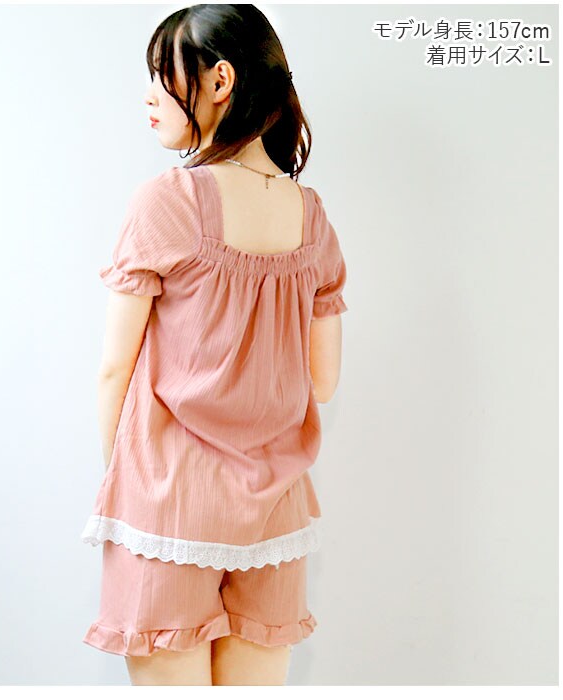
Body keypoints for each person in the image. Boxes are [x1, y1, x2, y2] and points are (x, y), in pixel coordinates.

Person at [80, 4, 348, 686]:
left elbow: (114, 370)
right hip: (275, 514)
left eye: (162, 73)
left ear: (220, 80)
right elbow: (322, 381)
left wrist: (125, 487)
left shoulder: (168, 201)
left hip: (167, 504)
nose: (149, 94)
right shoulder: (311, 217)